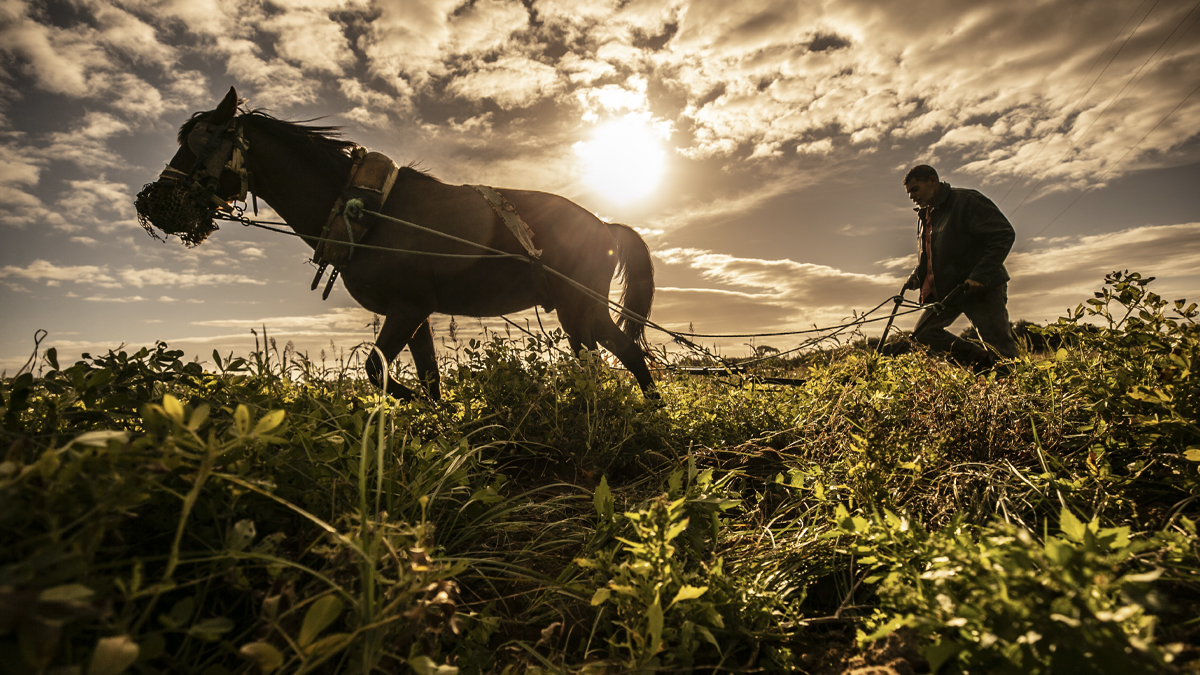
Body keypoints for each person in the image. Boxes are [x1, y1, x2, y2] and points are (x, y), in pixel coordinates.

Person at [899, 164, 1019, 367]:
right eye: (909, 192)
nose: (912, 196)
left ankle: (1017, 387)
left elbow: (1003, 234)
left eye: (915, 189)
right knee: (924, 333)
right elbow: (929, 254)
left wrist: (979, 276)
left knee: (999, 347)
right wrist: (917, 277)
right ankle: (980, 360)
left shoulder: (967, 201)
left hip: (981, 289)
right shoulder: (925, 214)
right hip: (948, 292)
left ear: (932, 181)